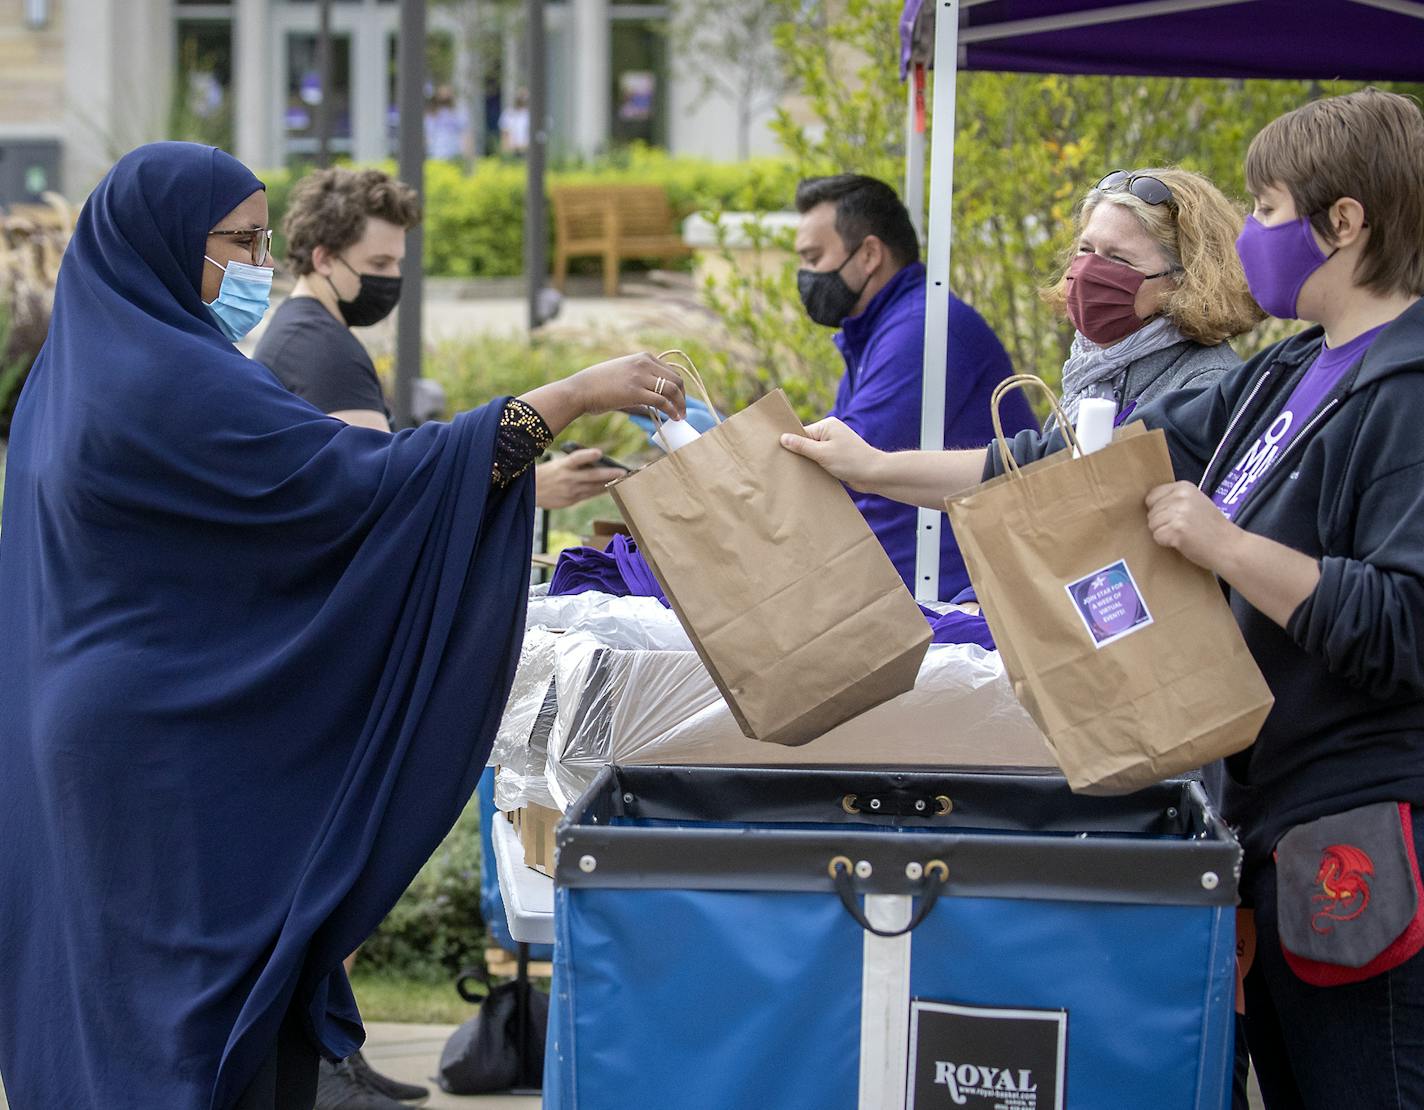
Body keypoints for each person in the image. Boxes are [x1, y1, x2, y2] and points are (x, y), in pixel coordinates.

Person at [0, 141, 686, 1110]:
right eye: (236, 241)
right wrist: (570, 395)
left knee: (115, 1011)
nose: (256, 263)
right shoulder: (170, 383)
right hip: (159, 755)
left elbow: (228, 549)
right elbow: (364, 491)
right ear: (161, 243)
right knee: (180, 1034)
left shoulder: (69, 385)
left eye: (262, 237)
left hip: (98, 734)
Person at [784, 88, 1424, 1106]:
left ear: (1342, 222)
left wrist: (1224, 544)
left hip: (1355, 835)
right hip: (1268, 826)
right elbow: (1060, 465)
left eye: (1264, 211)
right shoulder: (1288, 370)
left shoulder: (1403, 387)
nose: (1248, 238)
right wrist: (874, 464)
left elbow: (1401, 626)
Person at [255, 166, 626, 508]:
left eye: (398, 263)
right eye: (379, 264)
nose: (392, 278)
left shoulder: (301, 332)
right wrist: (532, 488)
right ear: (323, 260)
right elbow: (384, 495)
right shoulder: (323, 352)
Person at [793, 174, 1034, 601]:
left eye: (814, 258)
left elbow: (837, 476)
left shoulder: (923, 330)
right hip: (912, 586)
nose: (806, 276)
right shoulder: (881, 327)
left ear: (868, 254)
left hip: (955, 598)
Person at [1044, 166, 1264, 425]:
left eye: (1118, 259)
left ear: (1184, 279)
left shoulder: (1206, 387)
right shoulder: (1089, 371)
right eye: (1085, 248)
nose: (1089, 271)